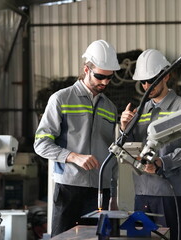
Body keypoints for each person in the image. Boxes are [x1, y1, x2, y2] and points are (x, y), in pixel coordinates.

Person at [34, 39, 120, 237]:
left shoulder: (110, 108)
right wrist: (73, 156)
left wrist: (113, 195)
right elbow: (41, 144)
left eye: (109, 78)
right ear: (86, 69)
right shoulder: (61, 99)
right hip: (69, 188)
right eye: (100, 76)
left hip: (101, 191)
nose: (105, 82)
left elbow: (112, 156)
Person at [120, 49, 181, 240]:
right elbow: (128, 148)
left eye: (152, 80)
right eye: (143, 82)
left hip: (169, 196)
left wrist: (162, 163)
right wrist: (124, 128)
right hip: (140, 194)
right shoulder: (140, 111)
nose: (147, 86)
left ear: (166, 76)